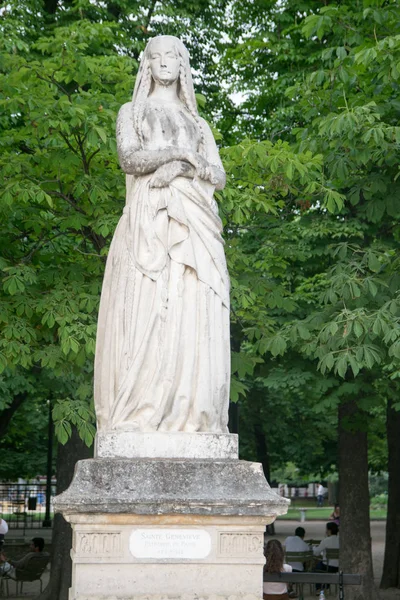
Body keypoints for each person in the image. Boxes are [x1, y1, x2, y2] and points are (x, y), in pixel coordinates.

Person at [94, 35, 230, 433]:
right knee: (149, 315)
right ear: (147, 65)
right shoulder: (131, 112)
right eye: (157, 56)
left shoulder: (198, 123)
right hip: (147, 225)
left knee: (192, 314)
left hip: (195, 225)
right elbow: (130, 158)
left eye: (173, 56)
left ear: (183, 66)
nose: (165, 62)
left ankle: (189, 412)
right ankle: (140, 409)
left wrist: (183, 169)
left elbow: (217, 175)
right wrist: (177, 156)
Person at [313, 522, 339, 591]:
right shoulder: (341, 540)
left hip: (328, 566)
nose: (326, 531)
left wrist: (314, 548)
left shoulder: (325, 541)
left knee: (317, 567)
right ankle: (326, 586)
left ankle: (319, 588)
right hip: (339, 567)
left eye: (326, 529)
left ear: (329, 530)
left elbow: (316, 553)